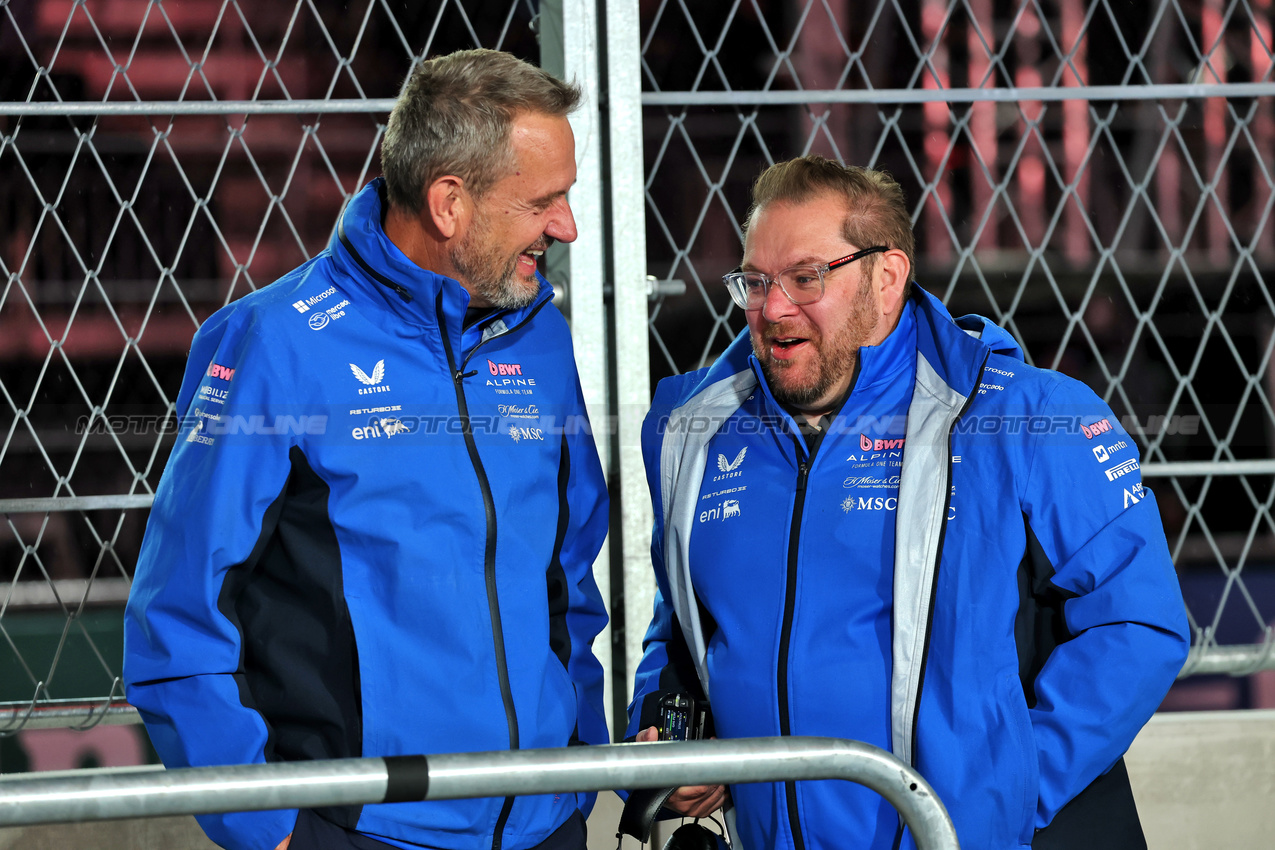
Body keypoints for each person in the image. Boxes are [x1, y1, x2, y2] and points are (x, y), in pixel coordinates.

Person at [625, 156, 1189, 849]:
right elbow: (685, 623)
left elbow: (1137, 626)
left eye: (805, 278)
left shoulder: (1028, 416)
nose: (771, 309)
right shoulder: (693, 426)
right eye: (755, 281)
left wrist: (1006, 793)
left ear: (884, 279)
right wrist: (665, 737)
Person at [124, 49, 609, 850]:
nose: (566, 227)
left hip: (547, 823)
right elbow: (179, 609)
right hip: (363, 830)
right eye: (542, 202)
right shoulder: (273, 343)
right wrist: (263, 826)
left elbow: (568, 571)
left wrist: (581, 763)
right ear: (449, 202)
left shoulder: (540, 334)